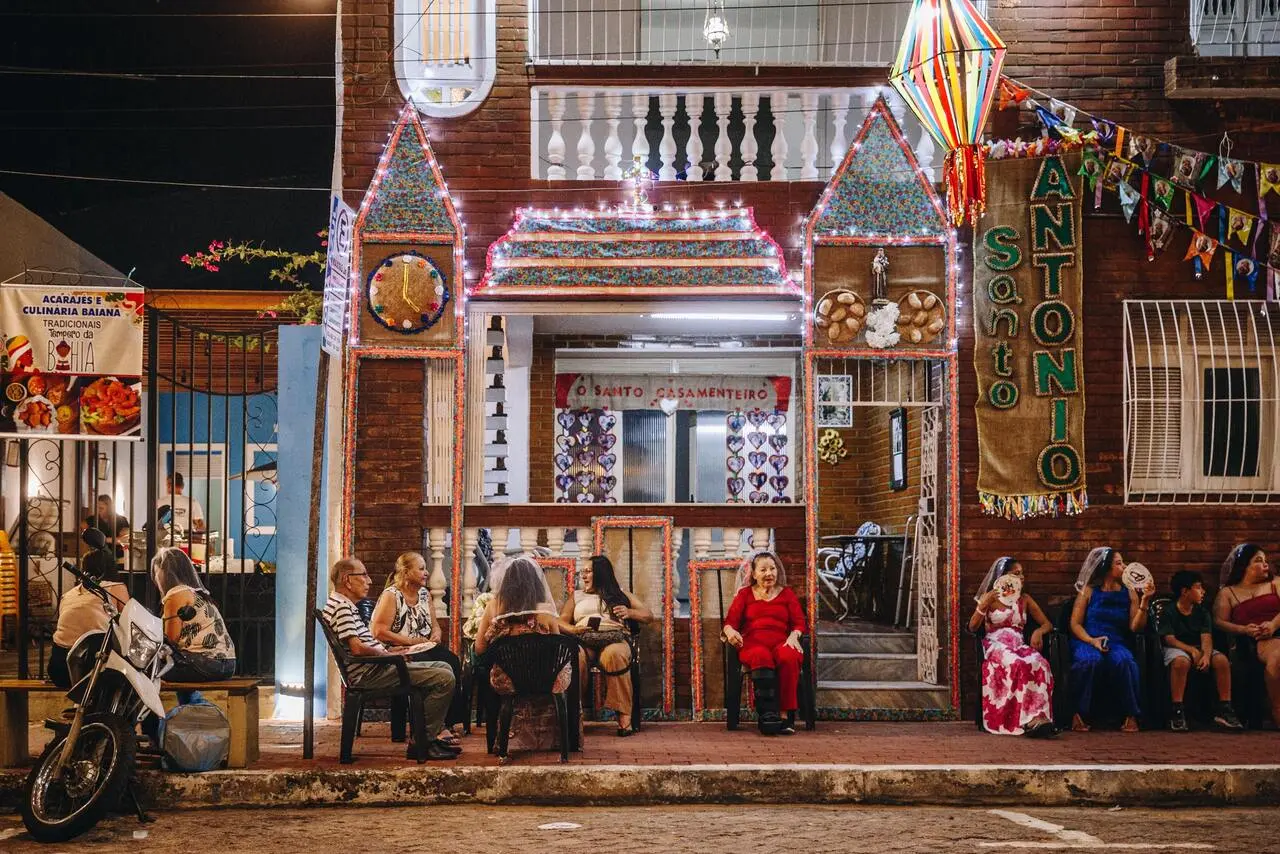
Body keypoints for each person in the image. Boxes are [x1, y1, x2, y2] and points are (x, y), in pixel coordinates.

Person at [323, 557, 458, 761]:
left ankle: (428, 736)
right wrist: (388, 655)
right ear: (347, 580)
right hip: (372, 673)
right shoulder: (342, 607)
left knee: (444, 665)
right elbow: (357, 648)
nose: (369, 581)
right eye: (364, 575)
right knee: (445, 678)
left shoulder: (343, 604)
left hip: (378, 667)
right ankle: (423, 741)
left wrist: (394, 653)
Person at [473, 555, 572, 758]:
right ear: (536, 582)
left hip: (508, 680)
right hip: (546, 678)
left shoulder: (494, 606)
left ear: (506, 582)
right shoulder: (545, 609)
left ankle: (500, 742)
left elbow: (479, 649)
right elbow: (556, 644)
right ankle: (565, 741)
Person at [370, 551, 467, 745]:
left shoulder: (424, 594)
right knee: (434, 665)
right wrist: (410, 642)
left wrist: (436, 634)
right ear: (406, 572)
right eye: (421, 568)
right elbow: (379, 631)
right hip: (397, 651)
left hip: (421, 646)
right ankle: (434, 727)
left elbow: (434, 624)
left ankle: (446, 721)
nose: (426, 573)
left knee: (452, 660)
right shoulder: (392, 595)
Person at [559, 555, 653, 736]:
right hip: (584, 639)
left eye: (588, 571)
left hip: (614, 639)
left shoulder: (620, 594)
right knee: (575, 657)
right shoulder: (577, 596)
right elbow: (561, 621)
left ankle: (624, 716)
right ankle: (573, 716)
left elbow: (648, 615)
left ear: (600, 573)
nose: (583, 576)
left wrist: (630, 612)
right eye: (582, 572)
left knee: (615, 656)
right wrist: (573, 629)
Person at [969, 556, 1056, 737]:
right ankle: (1023, 720)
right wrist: (983, 605)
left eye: (1022, 573)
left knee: (1040, 663)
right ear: (1003, 577)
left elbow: (1047, 624)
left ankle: (1039, 718)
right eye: (1016, 574)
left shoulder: (1024, 599)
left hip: (1019, 643)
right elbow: (972, 627)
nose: (1021, 577)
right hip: (996, 644)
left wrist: (1038, 632)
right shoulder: (991, 598)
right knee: (1018, 664)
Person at [1068, 546, 1153, 732]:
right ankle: (1078, 714)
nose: (1124, 566)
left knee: (1125, 662)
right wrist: (1092, 641)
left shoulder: (1129, 593)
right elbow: (1075, 624)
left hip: (1116, 641)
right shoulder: (1088, 592)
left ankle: (1131, 715)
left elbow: (1135, 627)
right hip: (1088, 639)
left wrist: (1144, 601)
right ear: (1106, 568)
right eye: (1119, 563)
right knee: (1089, 661)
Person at [722, 549, 805, 736]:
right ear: (753, 573)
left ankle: (785, 715)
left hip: (781, 641)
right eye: (763, 570)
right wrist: (730, 631)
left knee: (789, 655)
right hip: (753, 643)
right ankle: (767, 713)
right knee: (761, 655)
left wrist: (794, 635)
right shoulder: (744, 595)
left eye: (772, 569)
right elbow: (730, 622)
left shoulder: (787, 594)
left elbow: (799, 622)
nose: (769, 573)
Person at [1159, 570, 1242, 732]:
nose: (1202, 592)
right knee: (1181, 662)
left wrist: (1205, 654)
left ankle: (1225, 709)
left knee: (1221, 660)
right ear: (1185, 591)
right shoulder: (1169, 611)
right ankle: (1177, 710)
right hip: (1177, 647)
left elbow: (1206, 637)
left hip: (1199, 647)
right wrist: (1191, 650)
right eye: (1198, 588)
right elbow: (1170, 639)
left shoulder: (1202, 612)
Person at [49, 531, 130, 688]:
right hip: (93, 667)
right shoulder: (115, 588)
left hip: (59, 669)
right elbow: (127, 622)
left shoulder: (68, 595)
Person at [152, 548, 237, 698]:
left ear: (165, 574)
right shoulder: (196, 593)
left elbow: (171, 639)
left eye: (157, 572)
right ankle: (191, 707)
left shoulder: (176, 595)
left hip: (207, 663)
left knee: (146, 668)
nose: (156, 578)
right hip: (226, 663)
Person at [1213, 544, 1280, 726]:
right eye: (1259, 561)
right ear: (1244, 567)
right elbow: (1219, 622)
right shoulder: (1228, 593)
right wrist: (1243, 629)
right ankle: (1276, 711)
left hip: (1276, 628)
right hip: (1257, 640)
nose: (1266, 565)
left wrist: (1273, 624)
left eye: (1266, 561)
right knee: (1277, 658)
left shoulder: (1276, 583)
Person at [157, 472, 205, 538]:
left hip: (164, 543)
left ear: (168, 485)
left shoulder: (159, 502)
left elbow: (154, 524)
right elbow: (200, 527)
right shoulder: (192, 502)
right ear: (182, 485)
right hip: (186, 543)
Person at [87, 494, 130, 567]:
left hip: (118, 559)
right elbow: (86, 537)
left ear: (109, 508)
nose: (98, 511)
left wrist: (104, 540)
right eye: (97, 508)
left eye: (101, 508)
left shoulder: (121, 520)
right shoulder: (92, 520)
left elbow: (125, 539)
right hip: (98, 559)